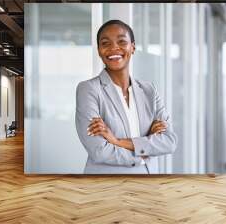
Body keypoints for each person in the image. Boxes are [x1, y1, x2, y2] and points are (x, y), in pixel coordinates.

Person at [75, 20, 177, 174]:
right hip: (106, 185)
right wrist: (144, 155)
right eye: (105, 43)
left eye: (122, 41)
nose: (114, 48)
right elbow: (99, 151)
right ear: (99, 50)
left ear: (133, 47)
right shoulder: (88, 89)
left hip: (149, 182)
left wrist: (117, 141)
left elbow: (169, 142)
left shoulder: (149, 90)